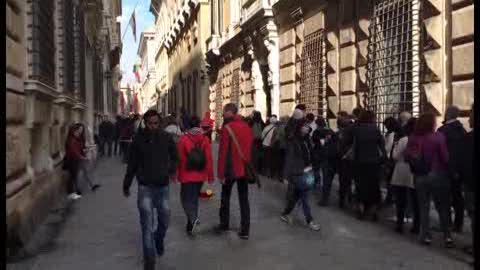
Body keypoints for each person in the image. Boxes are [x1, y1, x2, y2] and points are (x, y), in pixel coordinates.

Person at [122, 110, 179, 270]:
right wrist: (126, 185)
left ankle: (159, 238)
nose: (153, 126)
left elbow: (175, 157)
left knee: (165, 218)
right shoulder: (138, 141)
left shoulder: (166, 138)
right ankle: (149, 260)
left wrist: (170, 169)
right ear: (145, 123)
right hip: (145, 187)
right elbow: (132, 164)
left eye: (156, 123)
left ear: (159, 123)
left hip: (162, 186)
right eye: (150, 123)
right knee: (147, 224)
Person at [406, 112, 453, 247]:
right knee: (442, 207)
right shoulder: (438, 137)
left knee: (423, 207)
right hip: (438, 174)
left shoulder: (414, 137)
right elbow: (445, 157)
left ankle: (426, 235)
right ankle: (447, 236)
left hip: (420, 175)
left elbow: (407, 154)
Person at [215, 103, 254, 239]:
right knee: (244, 199)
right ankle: (245, 230)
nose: (223, 114)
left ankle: (224, 224)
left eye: (224, 112)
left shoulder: (227, 128)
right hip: (244, 168)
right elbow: (250, 149)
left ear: (229, 112)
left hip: (230, 170)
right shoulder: (247, 127)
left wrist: (220, 173)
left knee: (225, 198)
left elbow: (223, 153)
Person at [280, 119, 321, 231]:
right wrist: (285, 176)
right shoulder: (293, 141)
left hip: (307, 172)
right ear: (299, 127)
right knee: (305, 197)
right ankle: (310, 221)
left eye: (308, 126)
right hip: (297, 173)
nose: (307, 128)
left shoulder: (307, 140)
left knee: (297, 196)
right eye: (304, 126)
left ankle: (285, 213)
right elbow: (289, 159)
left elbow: (310, 155)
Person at [176, 116, 214, 236]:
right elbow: (208, 158)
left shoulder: (183, 139)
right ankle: (190, 224)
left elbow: (179, 158)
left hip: (186, 174)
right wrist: (210, 175)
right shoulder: (205, 139)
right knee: (194, 200)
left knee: (185, 199)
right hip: (200, 175)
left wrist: (175, 172)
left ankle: (192, 219)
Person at [348, 110, 386, 221]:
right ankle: (374, 210)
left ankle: (360, 207)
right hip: (374, 161)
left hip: (359, 161)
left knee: (360, 185)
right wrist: (384, 159)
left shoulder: (356, 129)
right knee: (373, 185)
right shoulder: (375, 129)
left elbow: (352, 145)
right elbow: (382, 145)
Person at [438, 105, 467, 233]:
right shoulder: (462, 130)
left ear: (447, 114)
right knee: (457, 197)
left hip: (444, 168)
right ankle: (458, 224)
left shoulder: (442, 130)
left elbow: (438, 151)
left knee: (444, 198)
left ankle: (446, 224)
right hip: (459, 169)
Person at [391, 117, 419, 234]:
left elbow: (395, 156)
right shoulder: (421, 139)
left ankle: (400, 224)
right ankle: (416, 225)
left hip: (402, 170)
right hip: (416, 172)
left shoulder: (404, 140)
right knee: (415, 200)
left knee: (401, 199)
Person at [64, 124, 96, 200]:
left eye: (81, 130)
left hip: (76, 159)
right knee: (72, 177)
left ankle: (75, 191)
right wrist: (83, 157)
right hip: (72, 160)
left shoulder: (77, 138)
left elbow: (80, 148)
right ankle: (71, 193)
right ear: (73, 131)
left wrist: (88, 148)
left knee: (74, 176)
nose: (79, 132)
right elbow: (74, 151)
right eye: (78, 131)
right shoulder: (71, 140)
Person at [311, 116, 337, 206]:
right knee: (327, 177)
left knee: (317, 171)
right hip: (330, 156)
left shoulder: (316, 132)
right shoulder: (331, 131)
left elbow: (314, 142)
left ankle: (318, 188)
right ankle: (325, 196)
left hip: (319, 154)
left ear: (317, 124)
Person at [460, 105, 474, 254]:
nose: (468, 118)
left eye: (470, 115)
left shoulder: (469, 138)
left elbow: (464, 162)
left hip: (471, 184)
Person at [336, 111, 354, 209]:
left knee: (344, 180)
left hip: (345, 158)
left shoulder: (346, 131)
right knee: (347, 180)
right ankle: (348, 197)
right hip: (351, 158)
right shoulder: (353, 128)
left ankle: (343, 200)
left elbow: (342, 144)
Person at [383, 116, 401, 206]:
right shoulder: (396, 133)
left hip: (390, 159)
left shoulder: (391, 134)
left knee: (390, 180)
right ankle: (390, 197)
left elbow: (388, 147)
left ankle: (390, 198)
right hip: (391, 159)